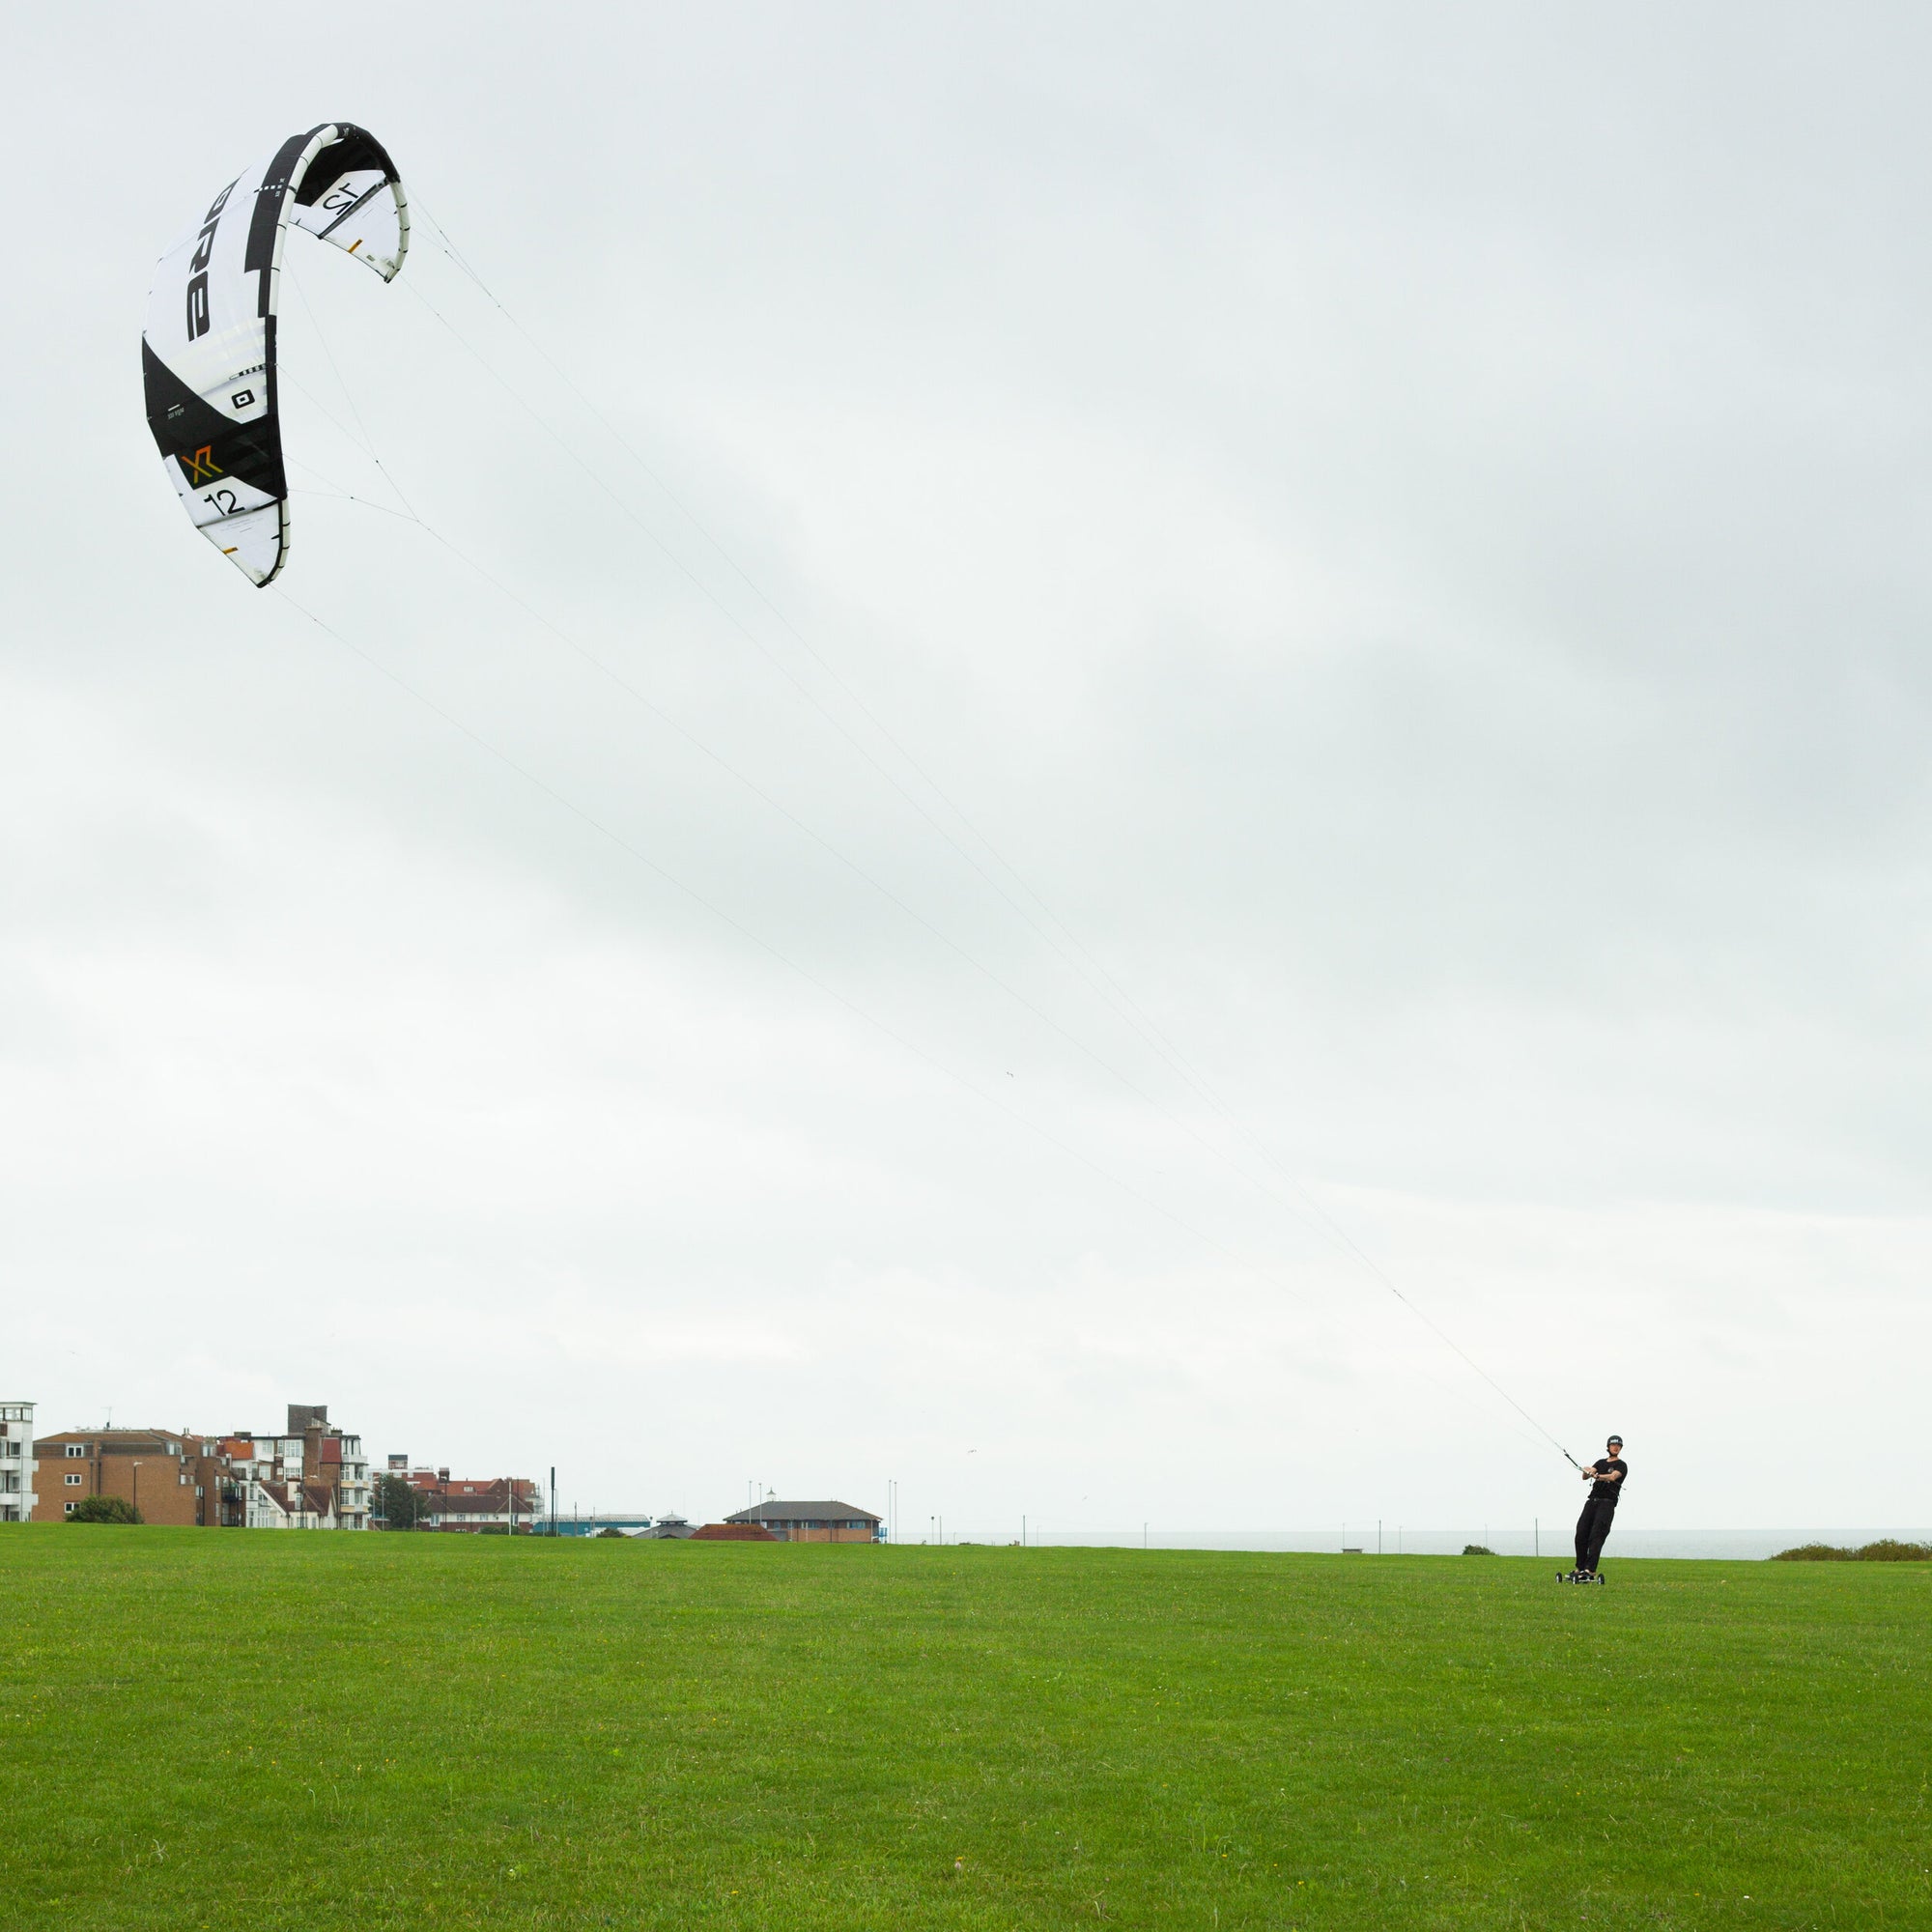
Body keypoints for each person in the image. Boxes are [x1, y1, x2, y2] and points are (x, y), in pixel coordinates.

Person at [1572, 1435, 1626, 1578]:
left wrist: (1597, 1476)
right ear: (1608, 1447)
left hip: (1607, 1503)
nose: (1616, 1447)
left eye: (1618, 1446)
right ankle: (1580, 1568)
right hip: (1592, 1502)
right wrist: (1587, 1470)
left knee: (1596, 1535)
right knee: (1581, 1533)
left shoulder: (1622, 1465)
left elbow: (1613, 1477)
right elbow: (1585, 1476)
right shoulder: (1600, 1462)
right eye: (1613, 1445)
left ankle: (1590, 1570)